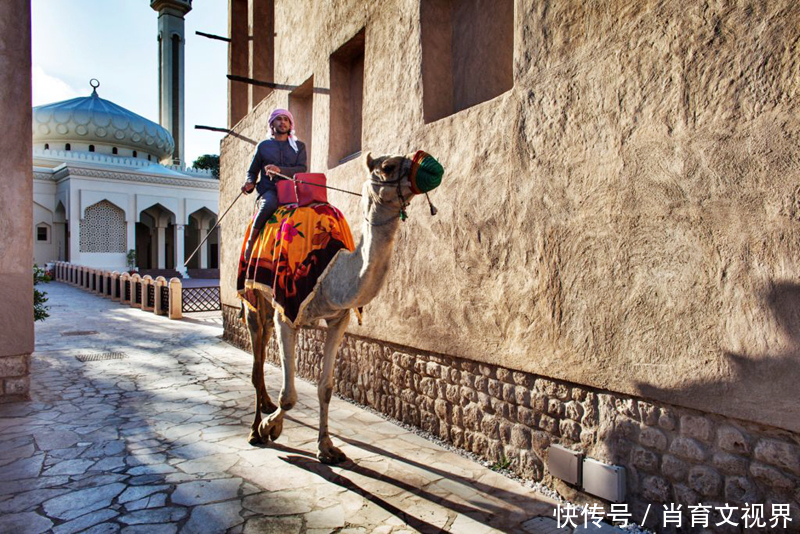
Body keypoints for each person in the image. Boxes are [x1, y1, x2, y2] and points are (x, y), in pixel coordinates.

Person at [241, 109, 307, 260]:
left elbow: (302, 169)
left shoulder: (299, 146)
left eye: (286, 119)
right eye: (279, 119)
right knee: (270, 203)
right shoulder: (263, 146)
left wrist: (280, 170)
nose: (282, 122)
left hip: (292, 190)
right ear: (272, 124)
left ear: (290, 124)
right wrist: (249, 182)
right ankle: (251, 241)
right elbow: (252, 171)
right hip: (269, 191)